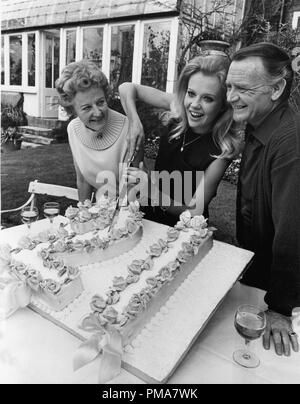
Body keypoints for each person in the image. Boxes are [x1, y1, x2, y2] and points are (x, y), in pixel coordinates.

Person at [226, 42, 300, 357]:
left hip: (277, 292)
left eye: (241, 88)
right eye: (229, 86)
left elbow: (293, 231)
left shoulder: (290, 143)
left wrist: (280, 308)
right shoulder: (259, 121)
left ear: (276, 88)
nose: (230, 97)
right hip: (256, 271)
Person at [119, 54, 243, 226]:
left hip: (184, 229)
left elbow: (194, 211)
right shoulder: (178, 108)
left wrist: (151, 191)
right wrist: (134, 122)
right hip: (148, 218)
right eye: (191, 93)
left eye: (208, 98)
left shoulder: (221, 152)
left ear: (223, 104)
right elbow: (126, 88)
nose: (194, 104)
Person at [55, 59, 139, 202]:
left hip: (135, 209)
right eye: (87, 108)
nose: (98, 113)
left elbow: (131, 191)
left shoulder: (129, 129)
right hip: (103, 209)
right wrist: (84, 215)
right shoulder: (73, 130)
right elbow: (82, 181)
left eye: (100, 102)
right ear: (72, 109)